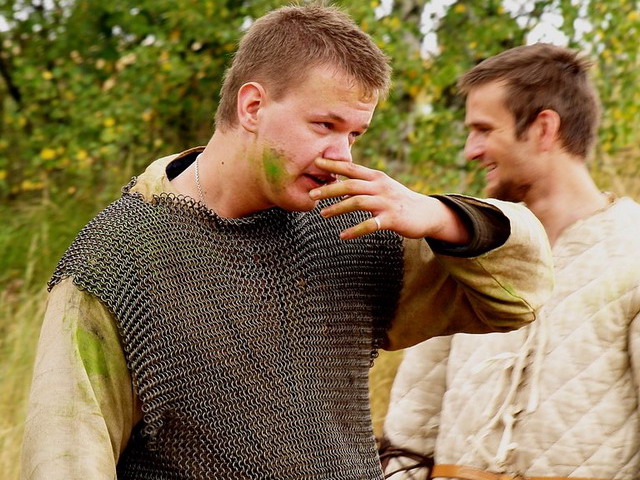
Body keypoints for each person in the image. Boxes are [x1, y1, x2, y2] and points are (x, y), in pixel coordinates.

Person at [20, 6, 553, 480]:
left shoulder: (347, 227)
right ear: (252, 107)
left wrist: (440, 216)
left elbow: (518, 296)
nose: (341, 156)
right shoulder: (118, 262)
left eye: (354, 134)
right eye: (324, 125)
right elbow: (65, 459)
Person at [380, 43, 640, 480]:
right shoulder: (464, 246)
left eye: (484, 130)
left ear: (544, 128)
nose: (470, 150)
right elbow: (410, 435)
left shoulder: (634, 253)